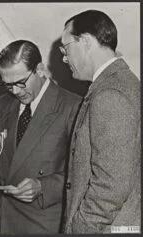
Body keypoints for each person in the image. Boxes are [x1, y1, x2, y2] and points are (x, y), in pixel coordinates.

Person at [0, 40, 82, 234]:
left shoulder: (73, 106)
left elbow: (84, 174)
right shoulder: (3, 104)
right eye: (8, 85)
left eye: (21, 82)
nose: (15, 91)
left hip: (42, 224)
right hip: (0, 222)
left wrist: (43, 187)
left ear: (39, 69)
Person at [60, 10, 140, 233]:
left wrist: (80, 229)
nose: (65, 58)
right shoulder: (122, 83)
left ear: (85, 42)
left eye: (66, 48)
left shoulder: (110, 94)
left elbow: (111, 187)